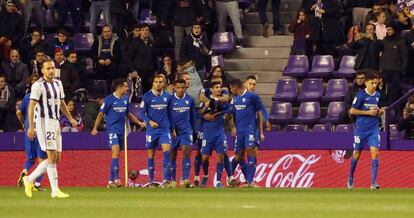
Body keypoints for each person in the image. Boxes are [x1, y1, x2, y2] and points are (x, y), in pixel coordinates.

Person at [22, 60, 77, 198]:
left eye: (53, 68)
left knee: (56, 158)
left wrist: (70, 118)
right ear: (42, 70)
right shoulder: (38, 85)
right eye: (48, 68)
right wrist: (31, 127)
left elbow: (62, 103)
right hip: (43, 122)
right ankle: (55, 191)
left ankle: (28, 179)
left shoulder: (58, 84)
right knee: (51, 156)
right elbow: (31, 106)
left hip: (55, 122)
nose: (51, 70)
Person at [91, 78, 144, 188]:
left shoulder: (125, 99)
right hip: (112, 130)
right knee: (115, 151)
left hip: (121, 131)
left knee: (116, 155)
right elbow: (100, 114)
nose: (127, 88)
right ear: (119, 87)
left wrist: (139, 122)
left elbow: (128, 114)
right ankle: (117, 178)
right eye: (125, 86)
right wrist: (95, 128)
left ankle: (110, 182)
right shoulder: (109, 100)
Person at [347, 72, 383, 190]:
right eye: (372, 83)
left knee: (375, 153)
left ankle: (373, 182)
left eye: (376, 83)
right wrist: (368, 112)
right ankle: (351, 177)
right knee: (356, 154)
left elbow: (379, 108)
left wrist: (380, 111)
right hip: (361, 130)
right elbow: (352, 111)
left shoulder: (378, 95)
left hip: (373, 129)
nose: (374, 85)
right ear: (366, 82)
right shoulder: (360, 95)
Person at [229, 79, 266, 187]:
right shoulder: (234, 99)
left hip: (250, 129)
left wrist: (260, 132)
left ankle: (250, 181)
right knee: (239, 156)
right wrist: (232, 126)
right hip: (239, 131)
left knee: (250, 150)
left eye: (231, 88)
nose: (231, 90)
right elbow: (230, 114)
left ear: (236, 87)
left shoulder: (252, 97)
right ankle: (234, 178)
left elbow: (260, 112)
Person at [139, 75, 173, 187]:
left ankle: (166, 180)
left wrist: (172, 129)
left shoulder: (168, 96)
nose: (158, 83)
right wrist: (150, 122)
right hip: (152, 130)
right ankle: (152, 180)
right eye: (156, 82)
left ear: (164, 84)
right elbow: (141, 113)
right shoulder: (147, 96)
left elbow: (171, 114)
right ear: (153, 83)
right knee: (151, 154)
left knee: (167, 152)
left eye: (160, 82)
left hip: (164, 129)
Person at [199, 81, 234, 188]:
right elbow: (198, 114)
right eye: (216, 87)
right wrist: (205, 114)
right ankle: (205, 175)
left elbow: (229, 111)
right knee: (204, 157)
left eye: (220, 87)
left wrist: (228, 121)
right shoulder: (206, 101)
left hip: (219, 132)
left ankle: (218, 181)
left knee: (221, 155)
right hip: (207, 133)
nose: (219, 89)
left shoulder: (223, 101)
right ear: (211, 89)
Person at [16, 74, 47, 191]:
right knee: (43, 160)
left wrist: (24, 124)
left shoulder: (27, 97)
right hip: (40, 131)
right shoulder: (44, 96)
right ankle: (36, 185)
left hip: (29, 131)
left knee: (30, 159)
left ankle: (25, 171)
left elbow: (18, 112)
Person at [169, 79, 196, 188]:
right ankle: (173, 180)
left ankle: (185, 179)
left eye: (182, 88)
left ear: (185, 88)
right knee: (172, 155)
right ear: (174, 87)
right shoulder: (169, 100)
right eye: (178, 88)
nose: (180, 90)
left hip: (186, 130)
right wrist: (170, 129)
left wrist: (194, 131)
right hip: (173, 131)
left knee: (186, 151)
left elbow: (193, 116)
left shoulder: (189, 99)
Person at [379, 22, 407, 98]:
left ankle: (399, 106)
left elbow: (404, 55)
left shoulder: (401, 40)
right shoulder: (385, 40)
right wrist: (381, 66)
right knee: (384, 89)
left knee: (397, 90)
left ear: (394, 30)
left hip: (396, 70)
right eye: (387, 30)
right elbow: (381, 52)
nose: (388, 31)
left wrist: (403, 68)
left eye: (390, 29)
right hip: (385, 69)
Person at [128, 23, 155, 94]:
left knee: (149, 92)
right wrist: (133, 70)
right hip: (139, 72)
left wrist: (155, 70)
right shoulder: (134, 42)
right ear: (140, 31)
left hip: (149, 72)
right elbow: (129, 58)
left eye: (147, 30)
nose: (145, 32)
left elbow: (154, 57)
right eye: (143, 30)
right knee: (138, 93)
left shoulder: (151, 42)